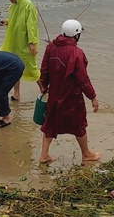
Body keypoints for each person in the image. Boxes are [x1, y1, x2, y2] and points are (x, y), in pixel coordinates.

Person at [38, 19, 101, 164]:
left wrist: (43, 85)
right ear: (76, 35)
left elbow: (44, 69)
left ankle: (44, 155)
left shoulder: (50, 47)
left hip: (54, 94)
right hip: (72, 96)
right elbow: (83, 79)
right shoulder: (76, 53)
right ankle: (86, 153)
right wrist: (93, 97)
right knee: (79, 124)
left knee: (50, 123)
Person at [0, 0, 40, 101]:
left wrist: (32, 43)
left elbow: (31, 24)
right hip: (14, 41)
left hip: (25, 42)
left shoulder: (28, 5)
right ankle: (16, 93)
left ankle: (44, 89)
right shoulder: (13, 6)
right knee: (14, 67)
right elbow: (14, 21)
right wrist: (6, 22)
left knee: (31, 67)